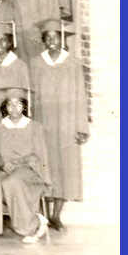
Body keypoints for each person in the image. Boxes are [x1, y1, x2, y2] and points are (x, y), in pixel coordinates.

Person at [29, 19, 89, 231]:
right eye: (48, 38)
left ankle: (56, 215)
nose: (52, 41)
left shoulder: (73, 63)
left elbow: (81, 96)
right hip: (43, 124)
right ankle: (45, 214)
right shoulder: (36, 64)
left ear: (62, 40)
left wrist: (81, 127)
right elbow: (31, 97)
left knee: (65, 169)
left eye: (56, 37)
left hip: (67, 124)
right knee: (45, 166)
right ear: (43, 40)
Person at [0, 86, 50, 243]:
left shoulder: (35, 127)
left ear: (24, 106)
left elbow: (41, 157)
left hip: (27, 170)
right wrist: (0, 164)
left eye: (18, 104)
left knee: (12, 181)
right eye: (10, 104)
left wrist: (23, 162)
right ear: (5, 106)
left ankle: (33, 225)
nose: (13, 108)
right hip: (3, 169)